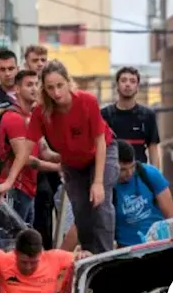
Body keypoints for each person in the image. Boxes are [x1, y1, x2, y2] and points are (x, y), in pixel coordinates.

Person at [25, 61, 117, 254]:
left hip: (102, 151)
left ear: (68, 82)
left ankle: (105, 253)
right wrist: (9, 181)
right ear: (44, 89)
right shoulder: (41, 112)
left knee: (100, 203)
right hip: (73, 163)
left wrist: (98, 182)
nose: (56, 92)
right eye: (50, 87)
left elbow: (100, 142)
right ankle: (89, 253)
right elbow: (27, 149)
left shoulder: (87, 101)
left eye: (60, 85)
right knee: (80, 208)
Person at [0, 69, 61, 227]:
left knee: (24, 242)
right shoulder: (13, 118)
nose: (34, 89)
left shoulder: (33, 118)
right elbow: (26, 159)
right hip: (13, 190)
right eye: (29, 85)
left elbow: (45, 152)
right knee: (11, 241)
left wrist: (68, 157)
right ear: (17, 89)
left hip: (28, 191)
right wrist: (58, 167)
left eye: (36, 84)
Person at [24, 45, 62, 248]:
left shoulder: (54, 93)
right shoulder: (26, 95)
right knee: (40, 211)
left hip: (56, 160)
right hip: (35, 167)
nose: (40, 64)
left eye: (43, 60)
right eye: (35, 60)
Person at [113, 139, 173, 247]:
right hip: (127, 250)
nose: (129, 173)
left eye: (132, 167)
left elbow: (171, 216)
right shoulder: (108, 187)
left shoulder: (149, 174)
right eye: (123, 169)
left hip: (159, 244)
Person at [101, 67, 161, 168]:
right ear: (117, 86)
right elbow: (99, 147)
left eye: (132, 81)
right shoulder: (104, 115)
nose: (128, 84)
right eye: (123, 80)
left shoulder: (147, 115)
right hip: (112, 174)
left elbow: (153, 148)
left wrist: (156, 179)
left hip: (139, 174)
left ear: (137, 87)